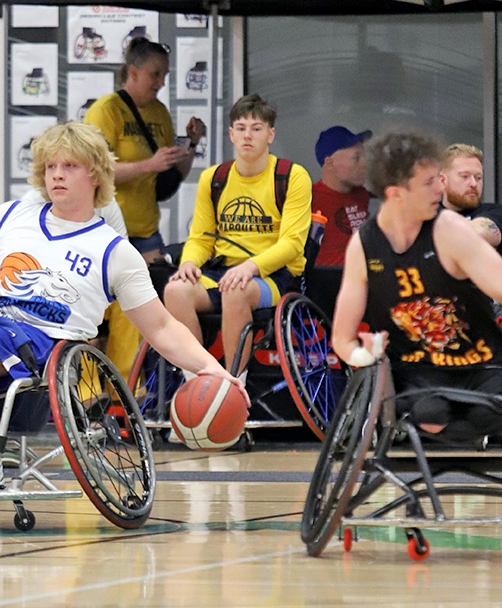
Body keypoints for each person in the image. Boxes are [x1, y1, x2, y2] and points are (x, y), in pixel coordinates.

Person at [0, 121, 245, 491]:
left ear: (95, 174)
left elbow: (161, 326)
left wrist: (211, 369)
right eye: (50, 166)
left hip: (47, 340)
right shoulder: (11, 216)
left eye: (69, 166)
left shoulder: (115, 251)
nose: (57, 175)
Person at [332, 131, 502, 438]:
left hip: (482, 365)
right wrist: (365, 355)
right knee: (429, 415)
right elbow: (342, 338)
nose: (440, 188)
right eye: (429, 182)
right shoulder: (364, 244)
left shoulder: (449, 229)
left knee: (485, 416)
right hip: (418, 372)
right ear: (396, 193)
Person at [163, 94, 312, 376]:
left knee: (236, 289)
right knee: (175, 291)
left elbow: (293, 244)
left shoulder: (292, 176)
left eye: (256, 129)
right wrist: (189, 263)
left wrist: (251, 267)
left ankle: (234, 383)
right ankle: (200, 379)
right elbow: (201, 238)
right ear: (231, 134)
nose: (248, 136)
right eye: (241, 128)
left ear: (270, 135)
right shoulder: (214, 178)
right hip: (223, 271)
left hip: (274, 276)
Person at [84, 37, 205, 379]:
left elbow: (169, 178)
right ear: (133, 72)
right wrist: (146, 165)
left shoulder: (159, 113)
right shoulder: (106, 110)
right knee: (101, 312)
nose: (161, 82)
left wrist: (190, 145)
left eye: (165, 75)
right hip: (107, 229)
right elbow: (93, 170)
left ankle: (133, 385)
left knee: (141, 309)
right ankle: (90, 387)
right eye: (155, 74)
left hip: (146, 231)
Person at [311, 125, 372, 266]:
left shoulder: (361, 194)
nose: (364, 164)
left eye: (364, 156)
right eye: (356, 158)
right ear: (329, 163)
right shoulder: (309, 200)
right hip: (329, 276)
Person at [440, 143, 502, 252]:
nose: (473, 183)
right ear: (443, 180)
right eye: (465, 176)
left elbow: (483, 231)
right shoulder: (427, 215)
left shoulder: (495, 211)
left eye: (478, 178)